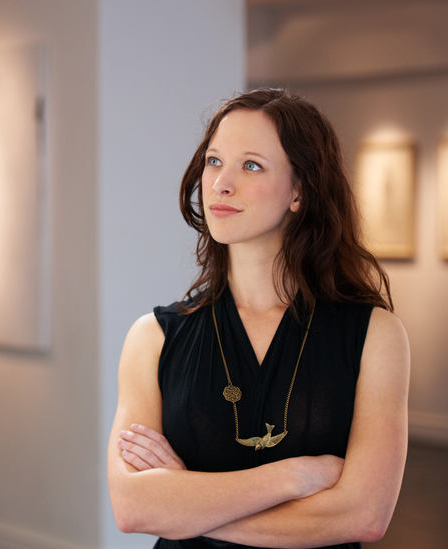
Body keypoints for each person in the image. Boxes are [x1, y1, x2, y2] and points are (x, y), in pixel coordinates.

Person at [106, 88, 410, 549]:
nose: (220, 184)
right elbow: (133, 508)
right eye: (213, 161)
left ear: (299, 191)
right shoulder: (152, 338)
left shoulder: (374, 336)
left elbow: (363, 517)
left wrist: (184, 504)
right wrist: (293, 477)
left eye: (251, 165)